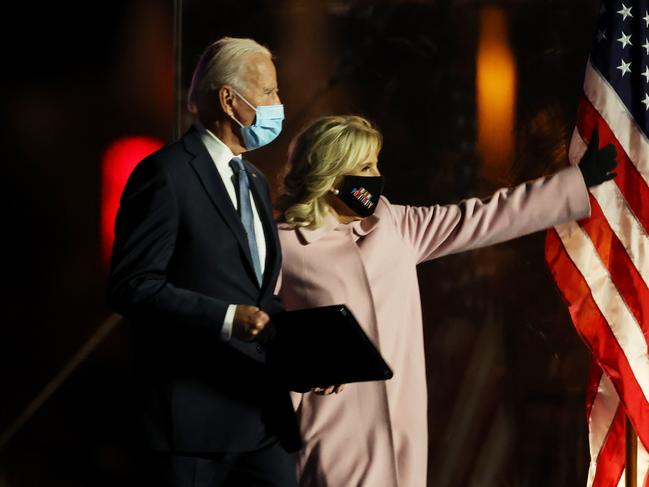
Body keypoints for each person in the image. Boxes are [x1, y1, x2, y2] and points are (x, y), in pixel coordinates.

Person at [275, 115, 616, 487]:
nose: (374, 178)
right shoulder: (283, 245)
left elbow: (485, 216)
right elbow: (261, 331)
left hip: (398, 433)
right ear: (330, 173)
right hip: (326, 432)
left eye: (376, 164)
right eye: (364, 167)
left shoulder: (394, 226)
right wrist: (301, 369)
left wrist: (575, 184)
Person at [108, 37, 300, 487]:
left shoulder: (253, 178)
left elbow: (258, 295)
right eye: (270, 92)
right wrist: (227, 319)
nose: (279, 103)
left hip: (261, 417)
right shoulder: (164, 174)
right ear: (230, 100)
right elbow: (132, 286)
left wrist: (308, 358)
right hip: (191, 429)